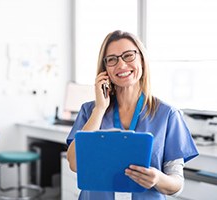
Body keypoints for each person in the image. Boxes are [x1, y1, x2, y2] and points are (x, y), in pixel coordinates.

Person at [66, 30, 199, 200]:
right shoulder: (90, 111)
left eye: (128, 56)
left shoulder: (168, 115)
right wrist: (100, 109)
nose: (121, 65)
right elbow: (75, 164)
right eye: (112, 60)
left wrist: (157, 178)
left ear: (142, 60)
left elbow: (177, 185)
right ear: (105, 69)